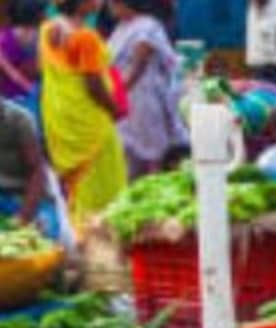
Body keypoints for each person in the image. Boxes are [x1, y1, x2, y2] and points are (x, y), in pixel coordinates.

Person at [41, 0, 127, 218]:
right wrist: (114, 108)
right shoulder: (85, 37)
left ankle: (78, 229)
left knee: (76, 185)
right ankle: (98, 232)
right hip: (91, 124)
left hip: (64, 118)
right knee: (104, 182)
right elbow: (94, 85)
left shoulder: (48, 29)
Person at [109, 0, 184, 177]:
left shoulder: (147, 27)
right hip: (126, 100)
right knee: (129, 154)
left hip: (143, 99)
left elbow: (138, 67)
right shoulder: (121, 27)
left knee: (151, 153)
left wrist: (117, 95)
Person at [0, 99, 61, 241]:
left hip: (28, 196)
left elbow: (37, 172)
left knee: (42, 236)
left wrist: (23, 216)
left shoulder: (19, 120)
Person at [0, 0, 38, 109]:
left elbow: (11, 72)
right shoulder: (40, 35)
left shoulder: (5, 36)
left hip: (11, 97)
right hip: (32, 97)